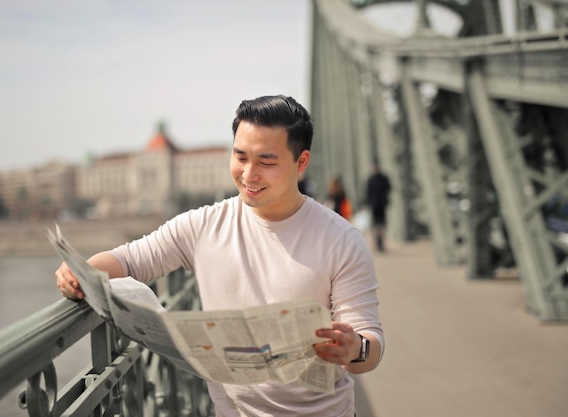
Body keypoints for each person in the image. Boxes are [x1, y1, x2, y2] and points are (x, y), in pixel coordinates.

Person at [56, 95, 384, 417]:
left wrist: (354, 347)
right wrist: (80, 272)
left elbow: (370, 343)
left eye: (266, 162)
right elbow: (129, 260)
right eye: (240, 157)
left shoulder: (341, 240)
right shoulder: (203, 225)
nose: (248, 174)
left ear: (301, 162)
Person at [366, 162, 391, 252]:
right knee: (376, 225)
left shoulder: (382, 178)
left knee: (381, 225)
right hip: (374, 205)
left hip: (381, 205)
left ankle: (381, 243)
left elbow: (388, 189)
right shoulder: (371, 179)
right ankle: (377, 243)